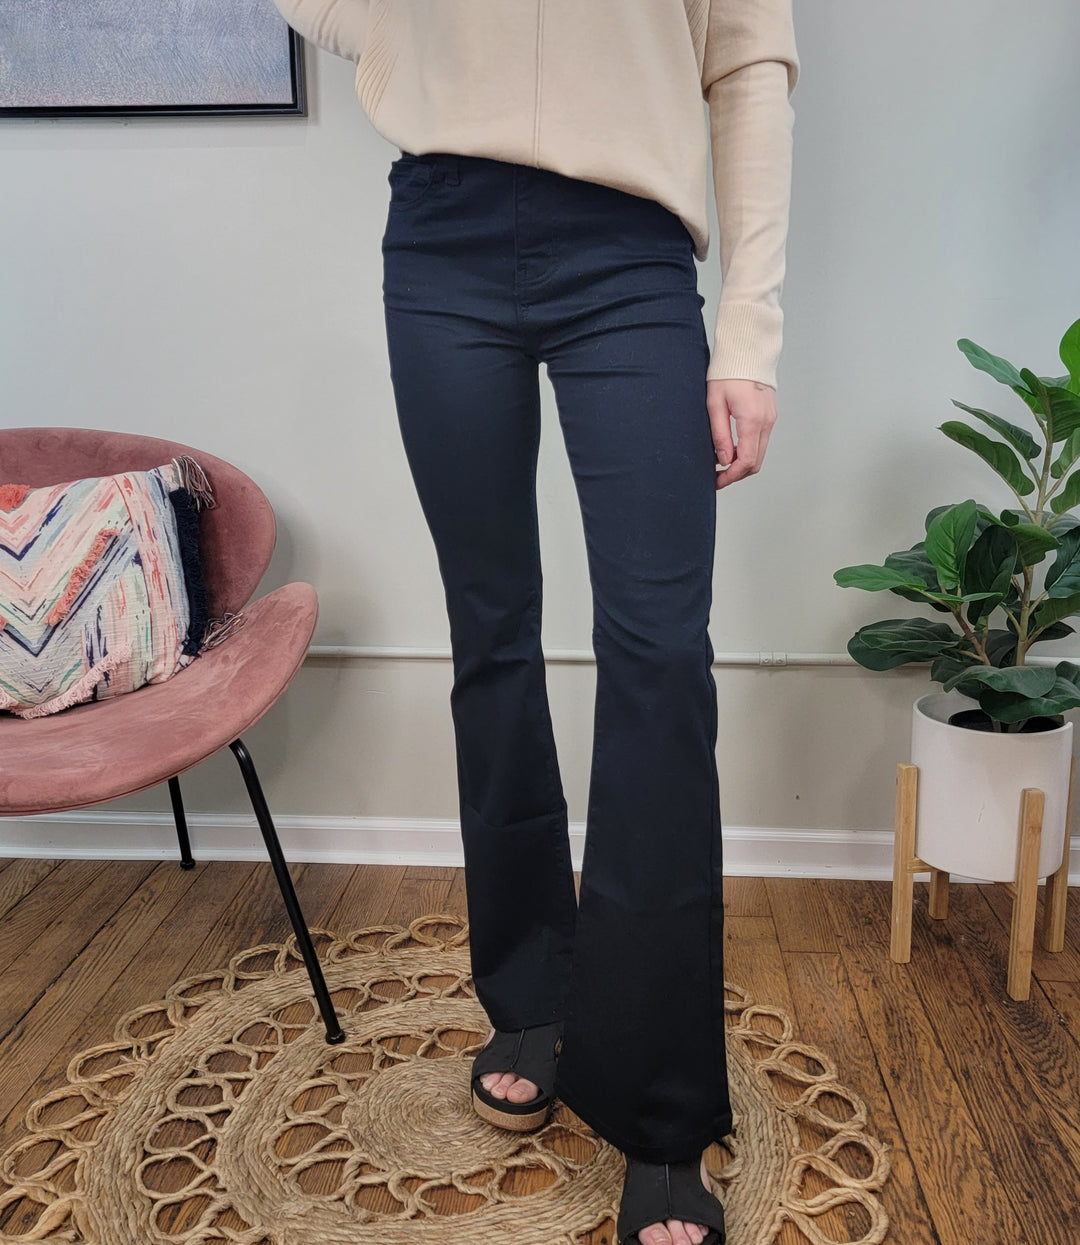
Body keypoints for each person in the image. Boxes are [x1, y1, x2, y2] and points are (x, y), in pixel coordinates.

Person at [267, 4, 799, 1243]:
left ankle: (662, 1111)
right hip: (443, 238)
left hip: (633, 253)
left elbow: (751, 68)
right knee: (491, 631)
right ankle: (531, 993)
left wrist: (752, 335)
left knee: (661, 655)